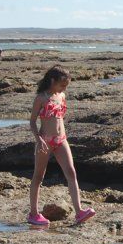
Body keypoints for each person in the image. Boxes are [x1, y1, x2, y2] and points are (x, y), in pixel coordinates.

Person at [27, 65, 95, 226]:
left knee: (71, 172)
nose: (65, 87)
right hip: (45, 140)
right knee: (38, 176)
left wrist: (61, 137)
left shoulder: (62, 96)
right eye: (62, 84)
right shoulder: (41, 98)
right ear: (52, 80)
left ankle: (79, 212)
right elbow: (32, 121)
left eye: (66, 85)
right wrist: (38, 139)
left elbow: (59, 119)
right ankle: (34, 214)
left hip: (61, 140)